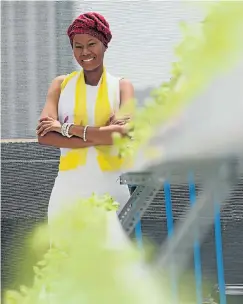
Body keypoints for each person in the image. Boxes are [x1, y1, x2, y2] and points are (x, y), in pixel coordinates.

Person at [36, 12, 134, 247]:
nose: (85, 52)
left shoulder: (122, 87)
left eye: (92, 44)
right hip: (67, 190)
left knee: (110, 265)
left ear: (104, 44)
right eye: (77, 46)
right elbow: (44, 136)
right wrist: (102, 134)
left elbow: (122, 134)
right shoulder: (60, 85)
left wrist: (66, 128)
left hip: (110, 189)